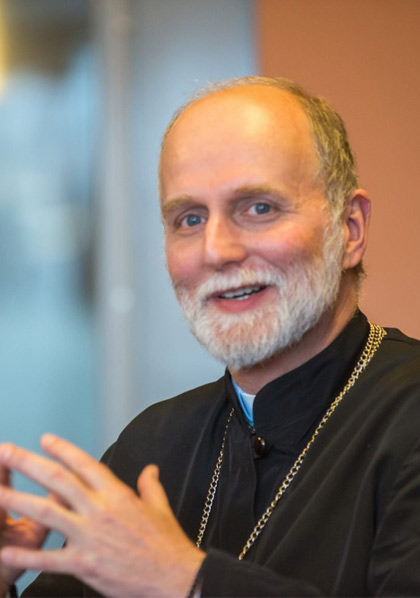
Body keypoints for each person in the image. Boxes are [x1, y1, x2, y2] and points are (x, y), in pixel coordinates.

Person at [0, 76, 420, 597]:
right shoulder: (150, 446)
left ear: (350, 228)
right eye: (190, 218)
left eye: (259, 208)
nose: (216, 250)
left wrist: (187, 581)